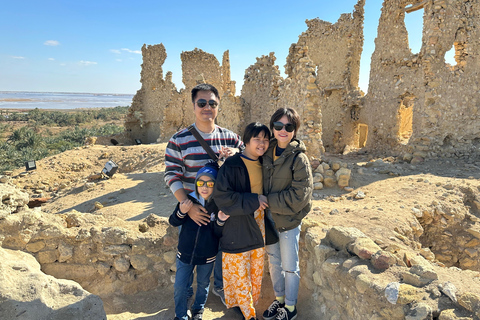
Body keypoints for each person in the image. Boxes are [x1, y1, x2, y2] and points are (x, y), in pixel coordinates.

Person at [164, 83, 243, 304]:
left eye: (212, 103)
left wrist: (236, 152)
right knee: (190, 252)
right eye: (202, 103)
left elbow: (250, 156)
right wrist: (188, 208)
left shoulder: (230, 138)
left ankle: (217, 287)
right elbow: (172, 175)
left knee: (220, 251)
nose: (206, 107)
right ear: (193, 106)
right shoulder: (179, 140)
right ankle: (186, 294)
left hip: (221, 210)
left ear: (218, 106)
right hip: (195, 210)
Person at [213, 122, 278, 320]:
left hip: (259, 223)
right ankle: (249, 315)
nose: (262, 143)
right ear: (246, 141)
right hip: (237, 223)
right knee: (239, 273)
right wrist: (253, 200)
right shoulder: (232, 165)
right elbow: (222, 197)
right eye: (257, 139)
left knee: (255, 271)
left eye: (265, 140)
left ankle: (246, 308)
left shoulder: (265, 163)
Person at [261, 108, 313, 320]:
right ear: (272, 127)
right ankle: (279, 300)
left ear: (295, 130)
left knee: (290, 267)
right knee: (274, 262)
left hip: (288, 221)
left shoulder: (299, 159)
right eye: (279, 126)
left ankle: (290, 308)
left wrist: (267, 202)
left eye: (289, 127)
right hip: (269, 220)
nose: (283, 130)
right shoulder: (265, 153)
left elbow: (300, 196)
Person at [169, 162, 221, 320]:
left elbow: (219, 233)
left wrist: (220, 221)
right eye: (201, 183)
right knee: (180, 286)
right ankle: (181, 315)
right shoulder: (188, 201)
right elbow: (173, 221)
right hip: (184, 253)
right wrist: (181, 212)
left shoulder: (218, 205)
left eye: (210, 183)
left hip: (207, 255)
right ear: (196, 183)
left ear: (216, 185)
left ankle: (198, 308)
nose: (204, 187)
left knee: (203, 284)